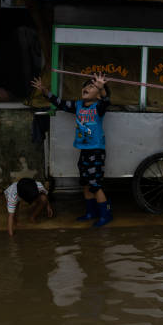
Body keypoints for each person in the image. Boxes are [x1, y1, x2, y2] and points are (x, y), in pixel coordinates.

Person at [31, 72, 112, 227]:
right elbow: (60, 102)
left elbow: (107, 101)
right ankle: (91, 212)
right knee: (86, 183)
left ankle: (106, 214)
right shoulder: (78, 105)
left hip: (96, 151)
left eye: (92, 86)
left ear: (98, 95)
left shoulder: (99, 107)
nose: (87, 88)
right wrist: (44, 90)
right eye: (86, 86)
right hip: (84, 151)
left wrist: (102, 89)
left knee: (95, 185)